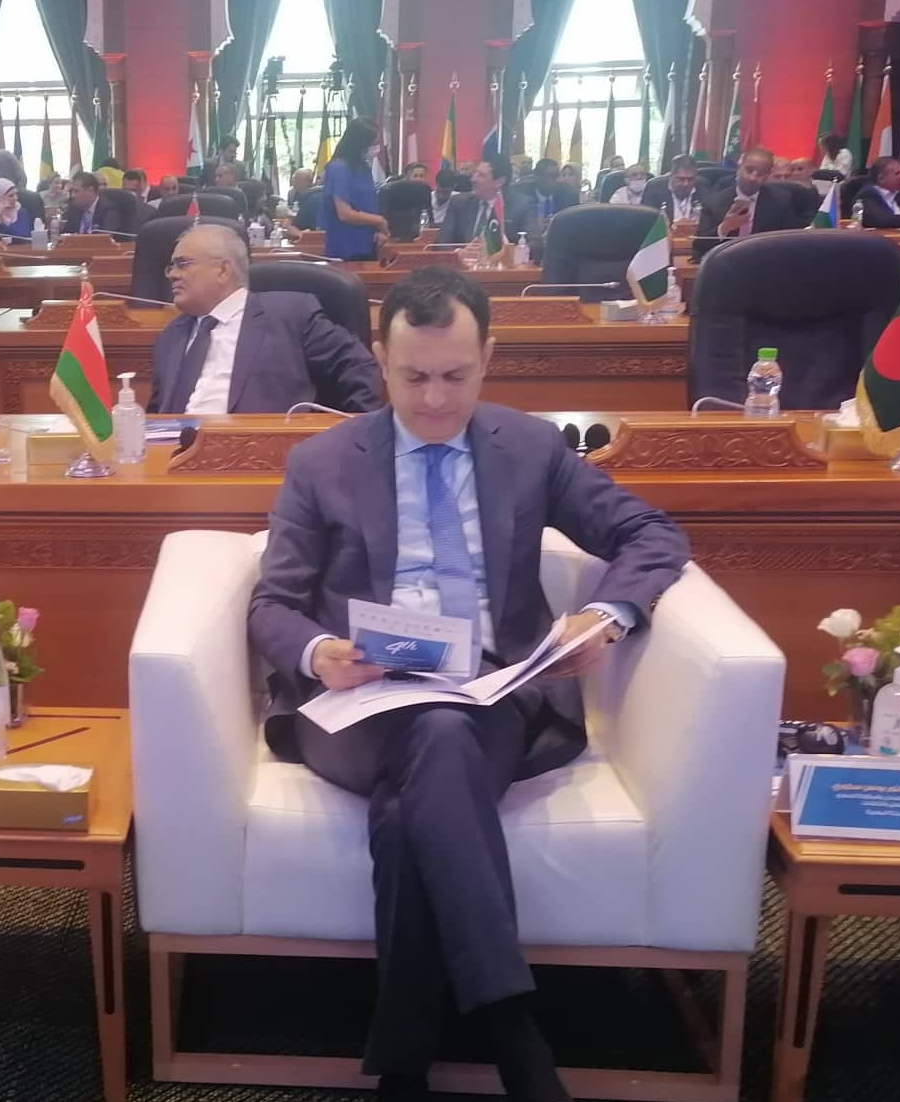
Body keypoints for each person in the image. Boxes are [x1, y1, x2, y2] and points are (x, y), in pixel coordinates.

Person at [248, 266, 688, 1102]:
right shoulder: (321, 460)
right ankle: (513, 1028)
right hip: (357, 702)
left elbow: (650, 534)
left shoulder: (530, 448)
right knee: (435, 744)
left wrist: (608, 616)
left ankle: (406, 1063)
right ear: (380, 359)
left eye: (455, 375)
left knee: (421, 780)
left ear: (489, 356)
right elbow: (273, 604)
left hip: (493, 692)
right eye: (413, 376)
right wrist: (319, 651)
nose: (435, 399)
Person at [148, 224, 380, 415]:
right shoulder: (172, 334)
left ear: (223, 270)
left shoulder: (290, 314)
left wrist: (355, 438)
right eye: (171, 267)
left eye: (183, 264)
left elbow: (359, 367)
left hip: (263, 449)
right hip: (171, 452)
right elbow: (157, 413)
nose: (172, 274)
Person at [695, 149, 810, 238]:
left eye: (760, 174)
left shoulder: (781, 201)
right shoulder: (714, 202)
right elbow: (699, 246)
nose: (752, 178)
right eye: (749, 170)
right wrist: (724, 228)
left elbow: (789, 240)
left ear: (767, 176)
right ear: (739, 168)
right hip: (727, 260)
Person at [320, 117, 390, 261]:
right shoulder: (338, 168)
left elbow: (369, 204)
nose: (376, 148)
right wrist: (379, 221)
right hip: (346, 246)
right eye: (373, 143)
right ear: (360, 143)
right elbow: (345, 214)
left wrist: (378, 230)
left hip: (369, 244)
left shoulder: (364, 168)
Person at [439, 155, 521, 245]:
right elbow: (442, 243)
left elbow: (531, 243)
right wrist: (459, 251)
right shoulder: (459, 202)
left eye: (481, 175)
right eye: (475, 173)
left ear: (499, 182)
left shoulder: (521, 206)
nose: (473, 179)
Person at [509, 158, 578, 241]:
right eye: (552, 176)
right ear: (537, 177)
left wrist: (557, 224)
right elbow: (513, 231)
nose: (558, 180)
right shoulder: (522, 195)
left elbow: (574, 227)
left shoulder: (568, 195)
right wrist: (534, 226)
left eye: (558, 175)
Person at [857, 156, 900, 229]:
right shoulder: (867, 195)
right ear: (881, 178)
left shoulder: (899, 196)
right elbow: (881, 221)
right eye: (897, 173)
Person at [641, 155, 701, 223]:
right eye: (681, 179)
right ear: (671, 175)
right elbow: (646, 220)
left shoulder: (702, 187)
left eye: (690, 179)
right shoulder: (654, 188)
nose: (686, 184)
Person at [0, 177, 35, 242]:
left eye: (16, 194)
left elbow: (22, 236)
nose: (16, 198)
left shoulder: (21, 212)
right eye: (11, 196)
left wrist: (6, 223)